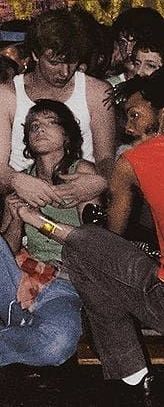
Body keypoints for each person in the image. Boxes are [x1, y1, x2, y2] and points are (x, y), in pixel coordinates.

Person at [15, 67, 164, 401]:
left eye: (134, 115)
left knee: (82, 254)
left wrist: (37, 219)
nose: (127, 128)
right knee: (153, 273)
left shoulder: (134, 159)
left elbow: (106, 239)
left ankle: (130, 376)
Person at [0, 100, 100, 367]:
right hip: (19, 277)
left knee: (56, 345)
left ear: (67, 134)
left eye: (50, 122)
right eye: (34, 125)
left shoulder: (82, 173)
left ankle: (22, 324)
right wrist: (15, 221)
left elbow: (93, 245)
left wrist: (39, 220)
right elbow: (5, 253)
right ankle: (22, 321)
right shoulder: (21, 180)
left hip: (63, 285)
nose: (40, 129)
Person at [0, 9, 114, 210]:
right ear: (35, 54)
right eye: (55, 62)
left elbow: (106, 158)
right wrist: (17, 180)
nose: (65, 72)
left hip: (80, 198)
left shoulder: (96, 92)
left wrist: (100, 181)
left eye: (72, 62)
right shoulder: (8, 95)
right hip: (20, 201)